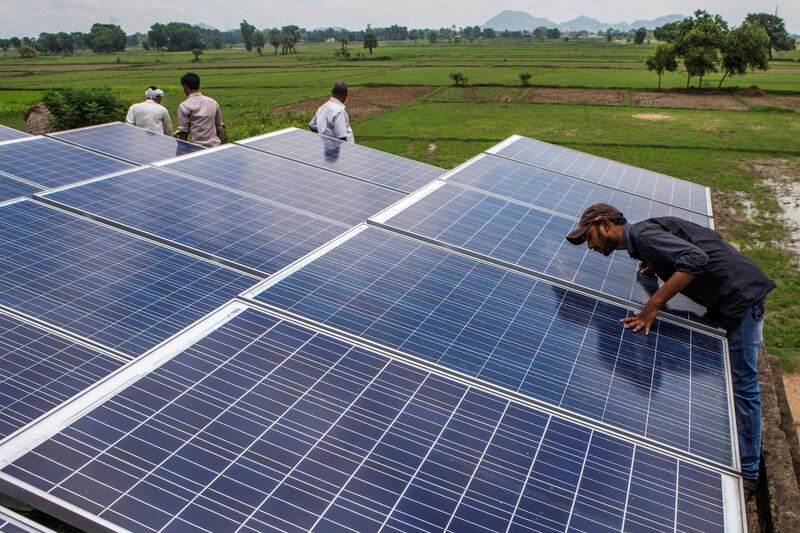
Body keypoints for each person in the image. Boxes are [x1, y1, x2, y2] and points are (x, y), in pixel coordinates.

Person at [565, 203, 775, 499]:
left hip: (740, 300)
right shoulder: (644, 240)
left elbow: (695, 257)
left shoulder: (645, 234)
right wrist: (654, 264)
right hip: (731, 295)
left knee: (744, 384)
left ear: (606, 225)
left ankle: (749, 473)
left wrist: (653, 304)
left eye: (589, 237)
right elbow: (689, 244)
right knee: (707, 365)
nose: (590, 246)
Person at [176, 72, 223, 147]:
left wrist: (181, 151)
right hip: (215, 147)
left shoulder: (184, 106)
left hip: (197, 148)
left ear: (185, 86)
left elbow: (183, 132)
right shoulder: (213, 102)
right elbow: (218, 127)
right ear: (198, 85)